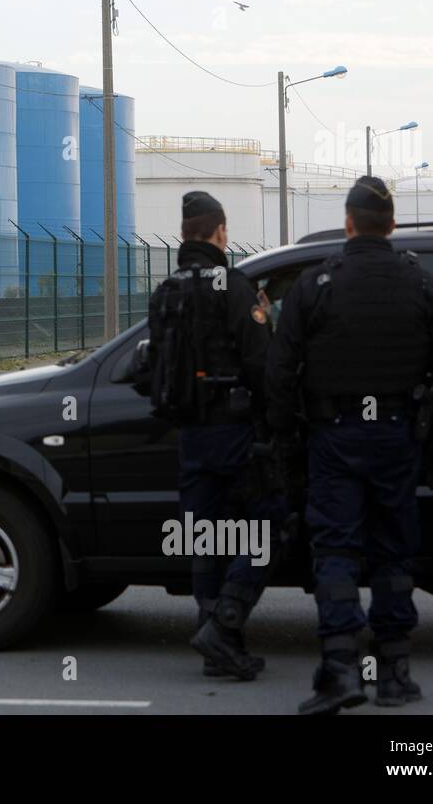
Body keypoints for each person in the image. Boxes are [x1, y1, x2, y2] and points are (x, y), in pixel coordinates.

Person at [266, 176, 433, 715]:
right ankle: (395, 673)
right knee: (393, 550)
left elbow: (281, 375)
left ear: (349, 222)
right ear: (393, 225)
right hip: (398, 436)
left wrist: (284, 443)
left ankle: (339, 669)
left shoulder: (315, 286)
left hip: (333, 437)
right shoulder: (423, 286)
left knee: (335, 549)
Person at [142, 191, 280, 681]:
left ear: (183, 235)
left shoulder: (166, 290)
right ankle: (225, 624)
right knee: (268, 525)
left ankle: (214, 637)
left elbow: (150, 365)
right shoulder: (236, 287)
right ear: (221, 232)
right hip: (236, 431)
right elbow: (263, 364)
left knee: (207, 535)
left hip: (190, 435)